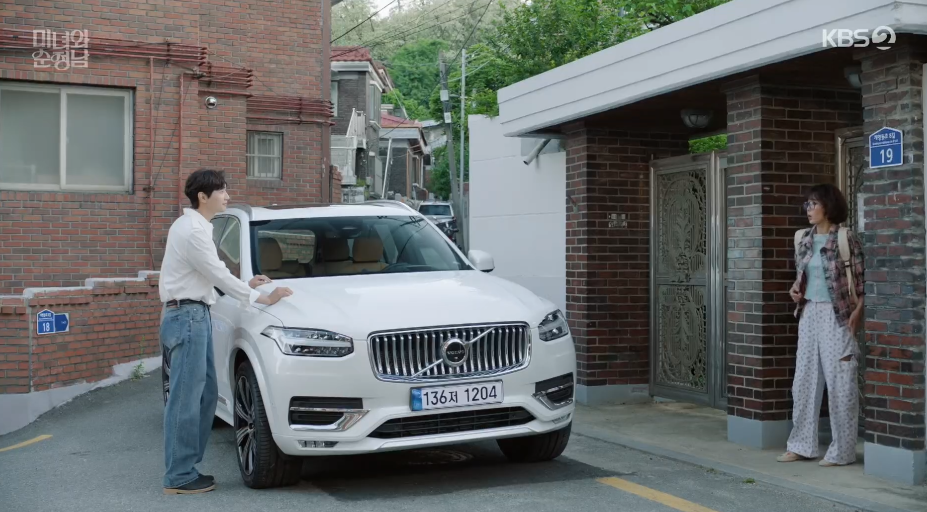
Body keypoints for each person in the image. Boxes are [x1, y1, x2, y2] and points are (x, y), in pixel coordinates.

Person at [159, 169, 293, 494]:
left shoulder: (193, 226)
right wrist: (262, 297)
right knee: (186, 399)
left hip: (194, 314)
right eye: (221, 191)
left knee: (206, 396)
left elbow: (207, 276)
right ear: (203, 196)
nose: (227, 196)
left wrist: (246, 284)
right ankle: (179, 475)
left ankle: (185, 469)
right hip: (188, 317)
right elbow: (218, 273)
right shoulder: (193, 230)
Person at [778, 183, 865, 467]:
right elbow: (802, 278)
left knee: (841, 383)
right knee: (803, 381)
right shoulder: (802, 238)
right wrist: (795, 290)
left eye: (813, 204)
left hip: (837, 316)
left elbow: (862, 283)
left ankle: (842, 452)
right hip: (808, 314)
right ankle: (801, 445)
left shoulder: (845, 239)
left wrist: (858, 311)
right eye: (808, 204)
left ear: (828, 206)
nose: (808, 209)